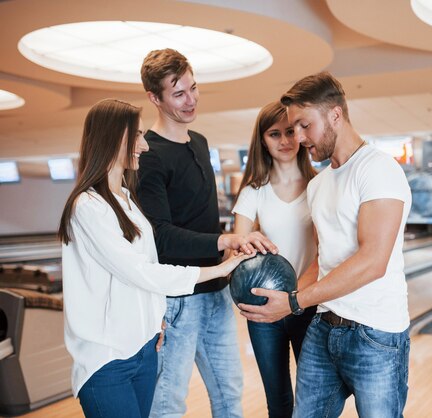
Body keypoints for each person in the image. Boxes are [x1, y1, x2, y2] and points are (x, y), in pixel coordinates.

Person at [59, 99, 251, 418]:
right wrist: (220, 267)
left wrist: (155, 318)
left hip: (145, 349)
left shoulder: (128, 201)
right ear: (112, 137)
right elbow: (142, 272)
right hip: (107, 362)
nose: (144, 146)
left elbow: (148, 266)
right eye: (136, 135)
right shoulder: (87, 207)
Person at [239, 72, 413, 418]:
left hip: (375, 335)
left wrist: (293, 301)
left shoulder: (378, 169)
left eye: (304, 126)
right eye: (292, 129)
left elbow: (372, 261)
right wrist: (281, 301)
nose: (299, 138)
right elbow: (322, 260)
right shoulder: (319, 186)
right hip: (323, 327)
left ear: (335, 114)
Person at [137, 48, 276, 418]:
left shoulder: (199, 142)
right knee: (167, 405)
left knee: (230, 396)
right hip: (178, 299)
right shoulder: (149, 156)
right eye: (178, 93)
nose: (191, 100)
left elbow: (198, 217)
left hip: (216, 294)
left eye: (193, 88)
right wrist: (223, 240)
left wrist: (236, 240)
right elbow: (161, 236)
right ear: (155, 98)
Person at [232, 101, 318, 418]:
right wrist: (245, 245)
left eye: (291, 131)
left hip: (308, 304)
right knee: (278, 400)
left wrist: (295, 298)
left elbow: (326, 253)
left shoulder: (319, 186)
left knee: (312, 401)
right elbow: (236, 251)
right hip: (266, 310)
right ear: (263, 140)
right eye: (274, 133)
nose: (284, 141)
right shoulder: (254, 191)